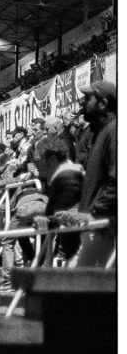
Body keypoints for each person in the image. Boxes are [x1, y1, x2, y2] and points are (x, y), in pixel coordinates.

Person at [74, 80, 117, 266]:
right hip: (95, 223)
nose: (82, 102)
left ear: (103, 103)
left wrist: (96, 209)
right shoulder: (98, 132)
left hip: (103, 225)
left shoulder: (115, 130)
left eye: (87, 98)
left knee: (80, 286)